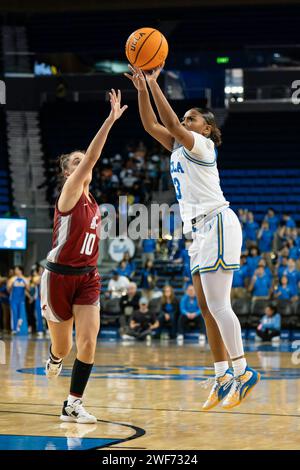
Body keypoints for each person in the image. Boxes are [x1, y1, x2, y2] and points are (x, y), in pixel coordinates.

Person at [125, 64, 260, 410]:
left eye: (192, 119)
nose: (185, 123)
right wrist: (142, 89)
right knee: (206, 308)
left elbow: (168, 122)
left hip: (216, 222)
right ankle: (221, 376)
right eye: (185, 120)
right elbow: (150, 125)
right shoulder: (177, 147)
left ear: (208, 127)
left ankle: (244, 372)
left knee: (219, 305)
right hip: (197, 232)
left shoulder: (201, 145)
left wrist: (155, 84)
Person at [40, 89, 127, 423]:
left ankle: (73, 403)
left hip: (87, 278)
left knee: (88, 342)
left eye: (83, 161)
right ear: (67, 173)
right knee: (62, 348)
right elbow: (92, 158)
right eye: (76, 162)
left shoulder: (93, 204)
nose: (83, 164)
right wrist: (110, 119)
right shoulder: (69, 193)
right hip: (58, 276)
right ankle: (54, 357)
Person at [7, 266, 29, 335]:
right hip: (13, 300)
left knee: (21, 315)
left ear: (20, 271)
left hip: (21, 300)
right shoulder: (12, 279)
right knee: (14, 313)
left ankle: (19, 328)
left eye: (16, 270)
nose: (15, 271)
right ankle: (14, 329)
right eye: (15, 270)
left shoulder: (25, 279)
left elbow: (28, 289)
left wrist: (26, 284)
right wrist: (10, 285)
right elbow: (8, 290)